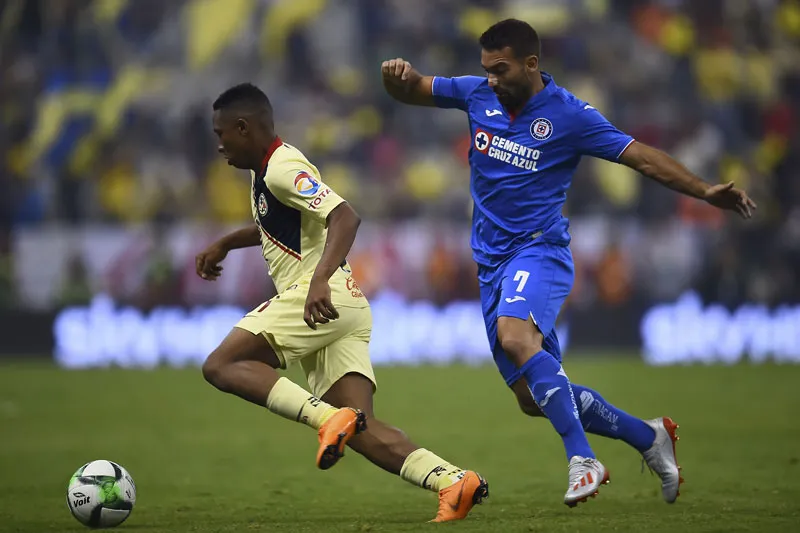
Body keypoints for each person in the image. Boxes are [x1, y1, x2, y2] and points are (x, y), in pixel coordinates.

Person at [381, 18, 756, 507]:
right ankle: (648, 436)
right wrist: (397, 80)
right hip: (491, 265)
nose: (491, 79)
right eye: (486, 70)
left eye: (501, 69)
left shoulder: (569, 115)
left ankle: (583, 459)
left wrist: (705, 190)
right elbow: (415, 90)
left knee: (517, 337)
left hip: (540, 251)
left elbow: (640, 156)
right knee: (532, 398)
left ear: (532, 64)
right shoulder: (475, 94)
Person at [195, 83, 488, 522]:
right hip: (341, 306)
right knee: (361, 426)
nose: (218, 145)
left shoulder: (280, 167)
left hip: (318, 299)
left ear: (243, 127)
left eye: (222, 134)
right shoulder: (264, 173)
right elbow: (282, 227)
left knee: (220, 365)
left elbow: (344, 215)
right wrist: (225, 243)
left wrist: (318, 281)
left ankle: (323, 420)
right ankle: (452, 480)